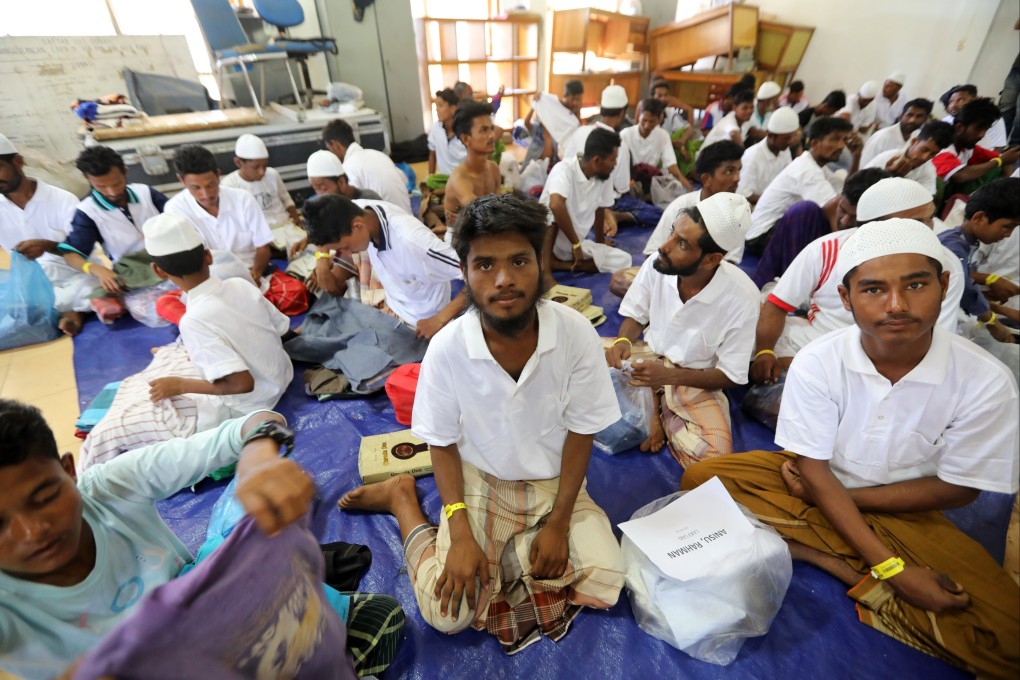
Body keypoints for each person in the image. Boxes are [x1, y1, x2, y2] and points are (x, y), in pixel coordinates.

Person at [683, 219, 1020, 679]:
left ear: (944, 287)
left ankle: (816, 550)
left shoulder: (986, 381)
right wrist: (894, 570)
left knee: (1008, 641)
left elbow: (957, 490)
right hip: (819, 483)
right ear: (846, 299)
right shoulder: (818, 362)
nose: (896, 305)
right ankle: (836, 561)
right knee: (703, 478)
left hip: (910, 507)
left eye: (916, 285)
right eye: (874, 290)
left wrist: (843, 502)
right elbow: (813, 468)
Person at [338, 193, 625, 654]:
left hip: (554, 482)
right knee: (447, 614)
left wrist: (559, 521)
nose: (504, 280)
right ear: (465, 273)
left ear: (539, 262)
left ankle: (518, 549)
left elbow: (581, 432)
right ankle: (403, 502)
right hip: (479, 481)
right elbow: (444, 445)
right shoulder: (449, 348)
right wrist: (460, 529)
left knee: (608, 581)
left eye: (519, 261)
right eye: (485, 265)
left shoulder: (574, 334)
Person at [0, 401, 404, 680]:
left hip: (221, 620)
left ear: (68, 471)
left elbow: (255, 422)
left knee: (382, 620)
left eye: (45, 498)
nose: (33, 531)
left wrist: (258, 458)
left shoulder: (108, 488)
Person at [78, 214, 293, 470]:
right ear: (208, 256)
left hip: (252, 405)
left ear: (158, 270)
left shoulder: (194, 320)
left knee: (125, 416)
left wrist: (180, 385)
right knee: (168, 360)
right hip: (282, 377)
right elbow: (281, 328)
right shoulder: (239, 285)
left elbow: (241, 383)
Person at [749, 177, 965, 385]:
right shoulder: (825, 250)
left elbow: (936, 339)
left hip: (900, 356)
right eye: (917, 222)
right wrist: (766, 352)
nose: (929, 228)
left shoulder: (945, 264)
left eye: (930, 219)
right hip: (820, 341)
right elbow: (777, 304)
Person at [609, 192, 758, 467]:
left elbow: (730, 376)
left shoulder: (742, 298)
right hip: (644, 358)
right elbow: (635, 314)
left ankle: (658, 411)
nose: (664, 247)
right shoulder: (659, 263)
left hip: (692, 377)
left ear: (712, 259)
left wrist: (666, 377)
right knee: (571, 369)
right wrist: (623, 341)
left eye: (681, 244)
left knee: (714, 460)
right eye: (672, 233)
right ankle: (657, 408)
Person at [302, 194, 466, 339]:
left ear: (358, 226)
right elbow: (323, 220)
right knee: (318, 332)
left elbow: (481, 276)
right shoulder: (356, 211)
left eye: (344, 246)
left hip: (419, 323)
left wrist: (440, 319)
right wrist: (322, 259)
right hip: (392, 305)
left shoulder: (414, 243)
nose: (345, 252)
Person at [60, 145, 170, 324]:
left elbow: (179, 218)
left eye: (117, 183)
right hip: (134, 271)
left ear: (125, 172)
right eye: (101, 186)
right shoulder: (88, 212)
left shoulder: (146, 193)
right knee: (149, 310)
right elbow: (72, 256)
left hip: (170, 260)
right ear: (87, 179)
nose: (112, 191)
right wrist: (99, 270)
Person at [0, 134, 93, 335]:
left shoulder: (63, 200)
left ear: (18, 161)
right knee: (16, 301)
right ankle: (70, 313)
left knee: (96, 288)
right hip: (31, 283)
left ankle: (68, 312)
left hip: (75, 275)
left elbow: (84, 251)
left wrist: (49, 246)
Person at [751, 168, 891, 288]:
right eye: (842, 210)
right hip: (797, 289)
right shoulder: (825, 212)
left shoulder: (886, 237)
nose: (845, 221)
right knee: (802, 210)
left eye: (855, 217)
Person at [743, 117, 858, 258]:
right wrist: (844, 252)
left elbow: (846, 193)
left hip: (772, 231)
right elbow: (834, 207)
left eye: (844, 140)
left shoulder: (818, 168)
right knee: (817, 215)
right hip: (760, 236)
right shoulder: (806, 170)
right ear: (815, 143)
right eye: (835, 139)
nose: (841, 146)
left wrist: (857, 156)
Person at [163, 145, 273, 286]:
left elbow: (263, 247)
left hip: (252, 272)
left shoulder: (243, 199)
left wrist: (255, 275)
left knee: (295, 293)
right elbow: (188, 265)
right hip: (208, 282)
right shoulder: (175, 210)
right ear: (182, 181)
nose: (206, 195)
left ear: (218, 175)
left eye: (211, 185)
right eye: (196, 188)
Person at [937, 178, 1019, 352]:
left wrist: (998, 308)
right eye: (1007, 226)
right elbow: (965, 288)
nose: (1009, 234)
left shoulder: (967, 243)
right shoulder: (953, 247)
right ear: (979, 218)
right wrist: (993, 322)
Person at [539, 128, 629, 286]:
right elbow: (555, 205)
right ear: (596, 160)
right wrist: (576, 244)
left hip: (574, 244)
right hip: (548, 244)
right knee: (552, 209)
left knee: (624, 261)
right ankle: (545, 270)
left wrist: (600, 243)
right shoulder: (564, 169)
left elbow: (600, 210)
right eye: (612, 160)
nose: (615, 165)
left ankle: (560, 265)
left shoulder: (604, 176)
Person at [643, 140, 744, 256]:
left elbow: (729, 262)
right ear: (706, 179)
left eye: (739, 170)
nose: (737, 178)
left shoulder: (736, 216)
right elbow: (651, 253)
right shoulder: (681, 207)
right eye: (729, 171)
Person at [321, 119, 412, 213]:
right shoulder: (378, 154)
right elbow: (404, 180)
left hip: (390, 223)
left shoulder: (348, 167)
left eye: (329, 149)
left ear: (335, 144)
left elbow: (353, 209)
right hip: (409, 218)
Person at [933, 98, 1019, 194]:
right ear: (960, 127)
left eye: (986, 129)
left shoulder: (967, 147)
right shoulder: (943, 147)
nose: (982, 135)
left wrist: (1008, 187)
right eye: (978, 128)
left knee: (995, 169)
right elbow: (960, 175)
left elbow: (1006, 159)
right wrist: (999, 161)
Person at [219, 133, 301, 233]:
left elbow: (286, 199)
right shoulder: (229, 185)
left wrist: (297, 220)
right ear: (238, 162)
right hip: (259, 235)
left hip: (285, 226)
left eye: (265, 166)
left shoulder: (272, 174)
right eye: (256, 167)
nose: (262, 172)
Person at [444, 100, 502, 238]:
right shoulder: (460, 178)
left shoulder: (493, 168)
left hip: (488, 231)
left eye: (491, 128)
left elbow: (500, 209)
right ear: (466, 139)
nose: (492, 136)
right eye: (484, 130)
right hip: (460, 239)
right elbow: (480, 214)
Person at [562, 85, 633, 198]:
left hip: (572, 194)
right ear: (623, 113)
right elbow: (621, 188)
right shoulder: (619, 146)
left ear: (601, 110)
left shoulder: (580, 131)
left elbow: (566, 162)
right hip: (604, 202)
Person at [621, 98, 693, 192]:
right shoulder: (625, 134)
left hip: (650, 180)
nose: (647, 125)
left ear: (659, 119)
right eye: (644, 120)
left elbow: (670, 162)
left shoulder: (663, 135)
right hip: (627, 179)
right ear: (639, 116)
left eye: (652, 122)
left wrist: (681, 178)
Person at [865, 120, 953, 194]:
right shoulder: (888, 157)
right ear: (914, 142)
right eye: (924, 150)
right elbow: (861, 185)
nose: (925, 158)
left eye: (933, 154)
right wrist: (887, 175)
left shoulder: (928, 170)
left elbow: (924, 200)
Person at [737, 106, 800, 204]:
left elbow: (788, 179)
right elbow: (745, 195)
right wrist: (775, 201)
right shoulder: (752, 157)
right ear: (770, 136)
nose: (791, 141)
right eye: (787, 138)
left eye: (793, 136)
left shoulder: (784, 150)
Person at [860, 98, 933, 167]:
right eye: (909, 115)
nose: (912, 120)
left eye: (919, 117)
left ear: (925, 119)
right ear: (901, 116)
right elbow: (863, 166)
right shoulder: (882, 137)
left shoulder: (918, 136)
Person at [306, 150, 383, 202]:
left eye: (323, 188)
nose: (320, 195)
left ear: (341, 182)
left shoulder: (369, 201)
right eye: (316, 189)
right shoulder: (324, 205)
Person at [427, 88, 467, 176]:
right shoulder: (435, 128)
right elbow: (432, 155)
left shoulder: (465, 130)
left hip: (463, 178)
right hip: (443, 179)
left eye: (440, 105)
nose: (437, 110)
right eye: (436, 106)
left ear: (453, 108)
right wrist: (430, 178)